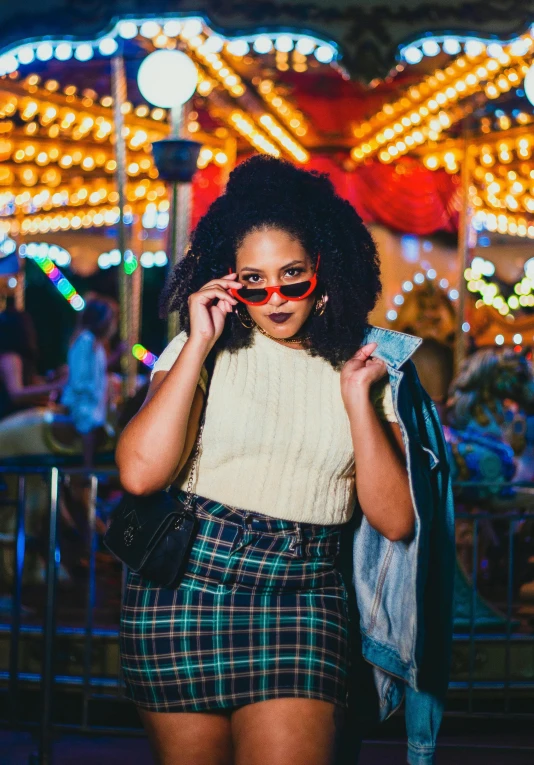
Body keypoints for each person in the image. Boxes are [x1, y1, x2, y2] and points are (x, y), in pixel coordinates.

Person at [116, 156, 454, 765]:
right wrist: (197, 342)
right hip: (183, 585)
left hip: (301, 595)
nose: (275, 298)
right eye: (254, 281)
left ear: (321, 265)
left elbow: (397, 521)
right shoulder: (203, 350)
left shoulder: (371, 368)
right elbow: (141, 472)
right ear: (229, 280)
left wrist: (356, 399)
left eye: (292, 277)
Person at [61, 297, 117, 467]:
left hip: (93, 400)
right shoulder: (85, 340)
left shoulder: (95, 343)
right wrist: (91, 390)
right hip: (83, 401)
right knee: (89, 426)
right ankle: (87, 469)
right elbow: (79, 377)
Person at [0, 295, 64, 419]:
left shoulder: (15, 358)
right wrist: (58, 385)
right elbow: (16, 395)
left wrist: (50, 379)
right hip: (9, 422)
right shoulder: (10, 358)